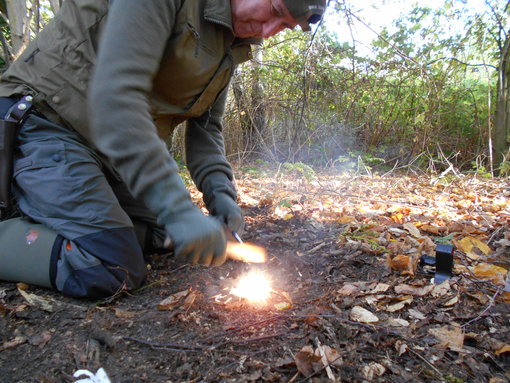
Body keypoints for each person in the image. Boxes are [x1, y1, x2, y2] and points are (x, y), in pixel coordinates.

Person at [0, 0, 326, 298]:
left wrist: (221, 199)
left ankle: (53, 213)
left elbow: (206, 130)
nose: (268, 31)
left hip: (104, 154)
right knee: (110, 267)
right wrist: (180, 212)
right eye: (274, 10)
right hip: (44, 123)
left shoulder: (231, 43)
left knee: (167, 234)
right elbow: (117, 100)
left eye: (285, 26)